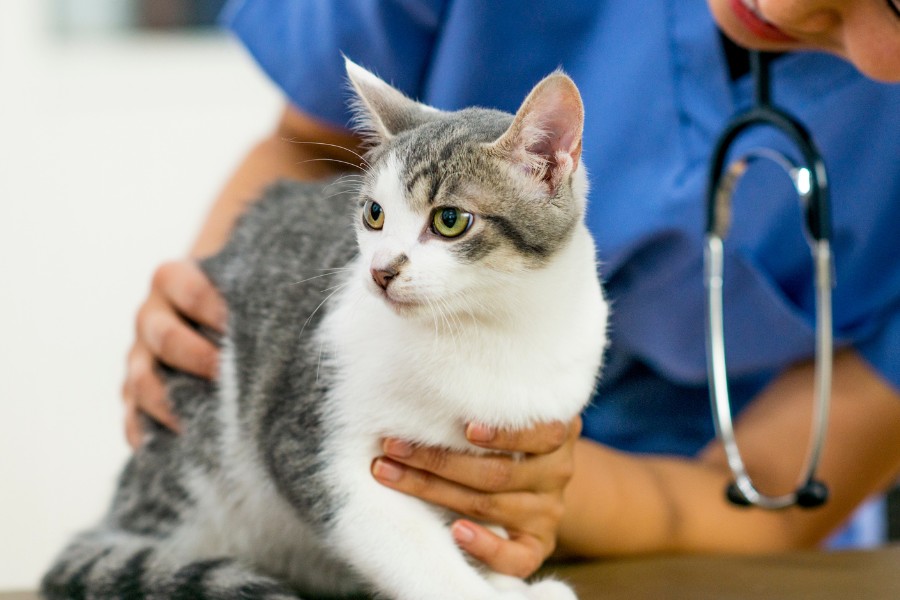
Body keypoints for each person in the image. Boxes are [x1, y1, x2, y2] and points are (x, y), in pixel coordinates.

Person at [122, 0, 900, 579]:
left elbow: (773, 497)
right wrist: (217, 326)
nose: (785, 5)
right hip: (372, 476)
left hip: (702, 546)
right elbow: (314, 147)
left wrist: (527, 487)